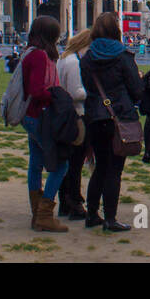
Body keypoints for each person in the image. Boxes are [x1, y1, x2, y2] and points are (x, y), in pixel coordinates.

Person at [80, 12, 143, 233]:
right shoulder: (123, 56)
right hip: (119, 116)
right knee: (114, 170)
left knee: (100, 167)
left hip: (95, 117)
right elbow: (137, 90)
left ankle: (91, 214)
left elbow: (87, 86)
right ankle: (110, 218)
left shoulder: (87, 58)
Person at [20, 16, 69, 232]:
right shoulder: (39, 56)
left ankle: (37, 212)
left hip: (32, 115)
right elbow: (37, 90)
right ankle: (44, 213)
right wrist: (56, 96)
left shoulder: (32, 53)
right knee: (60, 165)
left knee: (36, 162)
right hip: (38, 115)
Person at [56, 29, 90, 220]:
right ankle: (74, 202)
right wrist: (91, 91)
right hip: (76, 114)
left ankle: (64, 202)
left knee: (68, 162)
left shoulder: (62, 59)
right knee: (76, 162)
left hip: (63, 115)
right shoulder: (74, 62)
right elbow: (77, 92)